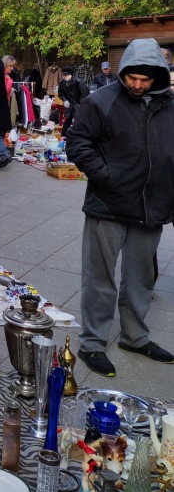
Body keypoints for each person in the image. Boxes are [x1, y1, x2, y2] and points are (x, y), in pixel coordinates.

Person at [66, 38, 174, 377]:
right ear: (123, 72)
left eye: (145, 79)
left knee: (141, 278)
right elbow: (77, 142)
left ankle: (135, 336)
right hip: (108, 204)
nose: (138, 85)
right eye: (132, 78)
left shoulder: (171, 105)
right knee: (100, 278)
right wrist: (105, 176)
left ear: (159, 74)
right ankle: (93, 342)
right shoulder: (101, 100)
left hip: (151, 207)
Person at [58, 67, 90, 137]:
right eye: (63, 75)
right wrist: (65, 100)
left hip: (78, 106)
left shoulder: (78, 82)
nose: (64, 77)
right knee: (67, 122)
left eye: (65, 75)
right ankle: (63, 137)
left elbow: (84, 95)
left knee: (80, 123)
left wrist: (82, 107)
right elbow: (60, 93)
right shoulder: (63, 82)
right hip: (69, 106)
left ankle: (81, 138)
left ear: (71, 75)